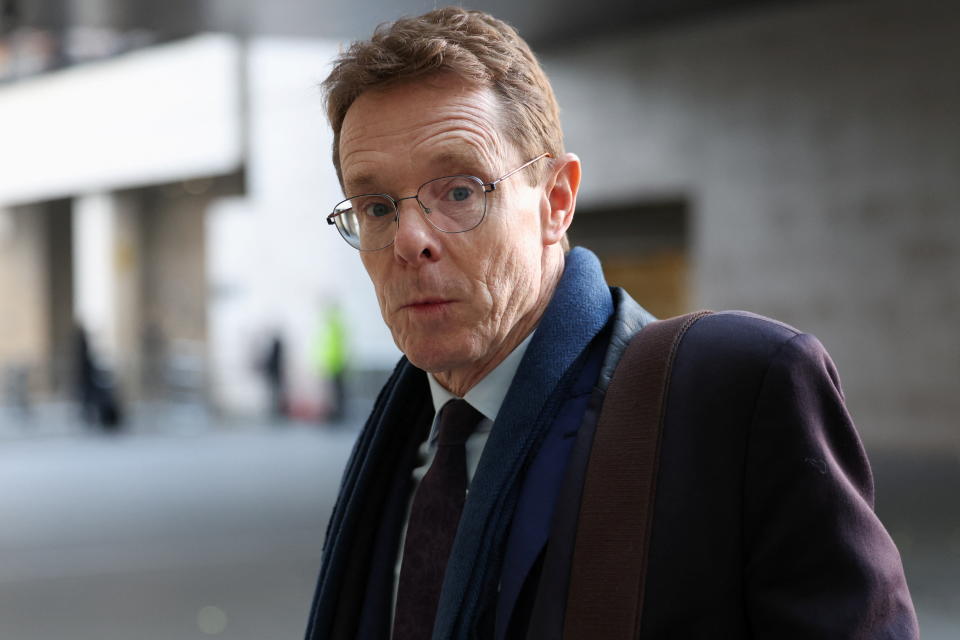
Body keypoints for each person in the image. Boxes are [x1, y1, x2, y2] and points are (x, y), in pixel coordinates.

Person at [306, 8, 918, 640]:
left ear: (557, 202)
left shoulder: (735, 396)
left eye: (460, 191)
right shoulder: (397, 440)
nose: (409, 240)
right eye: (376, 207)